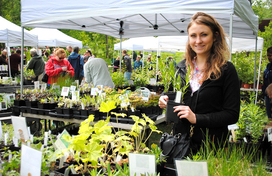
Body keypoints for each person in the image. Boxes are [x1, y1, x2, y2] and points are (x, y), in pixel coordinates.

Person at [159, 12, 240, 151]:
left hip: (211, 146)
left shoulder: (226, 70)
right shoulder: (182, 67)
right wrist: (164, 99)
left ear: (215, 37)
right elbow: (173, 93)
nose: (198, 41)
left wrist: (197, 118)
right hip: (179, 144)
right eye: (193, 36)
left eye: (204, 35)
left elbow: (232, 114)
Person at [262, 46, 272, 119]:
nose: (269, 57)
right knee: (269, 115)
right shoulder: (268, 66)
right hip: (267, 95)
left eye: (270, 55)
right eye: (268, 55)